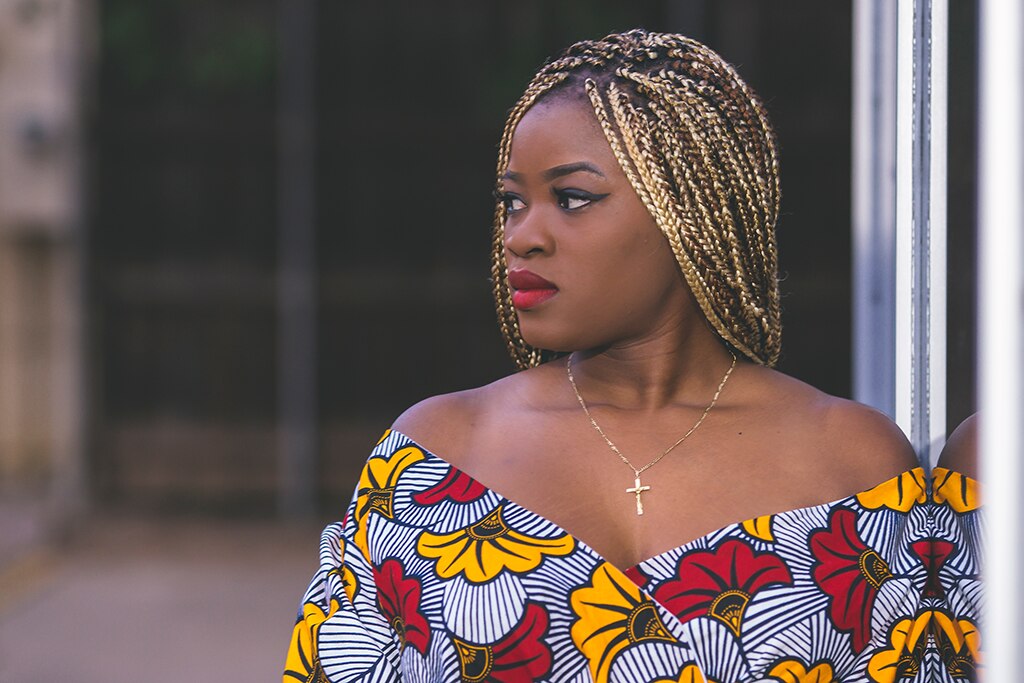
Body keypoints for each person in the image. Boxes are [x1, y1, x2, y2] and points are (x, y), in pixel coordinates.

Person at [283, 30, 977, 682]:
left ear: (691, 208)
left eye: (572, 198)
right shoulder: (433, 457)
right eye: (511, 203)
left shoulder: (850, 460)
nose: (523, 236)